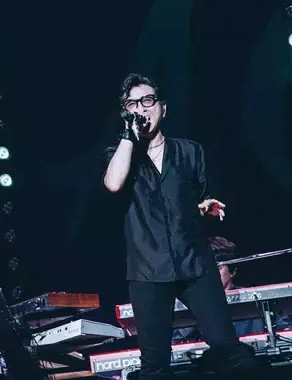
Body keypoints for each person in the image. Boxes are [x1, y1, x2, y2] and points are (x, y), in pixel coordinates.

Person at [102, 73, 257, 379]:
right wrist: (127, 137)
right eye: (132, 104)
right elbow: (114, 183)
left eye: (147, 101)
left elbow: (200, 196)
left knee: (227, 347)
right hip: (148, 269)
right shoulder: (120, 154)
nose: (141, 109)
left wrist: (204, 206)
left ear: (163, 107)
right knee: (154, 365)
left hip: (194, 263)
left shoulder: (190, 151)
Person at [172, 236, 264, 342]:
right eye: (205, 268)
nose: (211, 274)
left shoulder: (252, 300)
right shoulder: (189, 302)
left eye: (217, 268)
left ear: (232, 271)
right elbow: (176, 341)